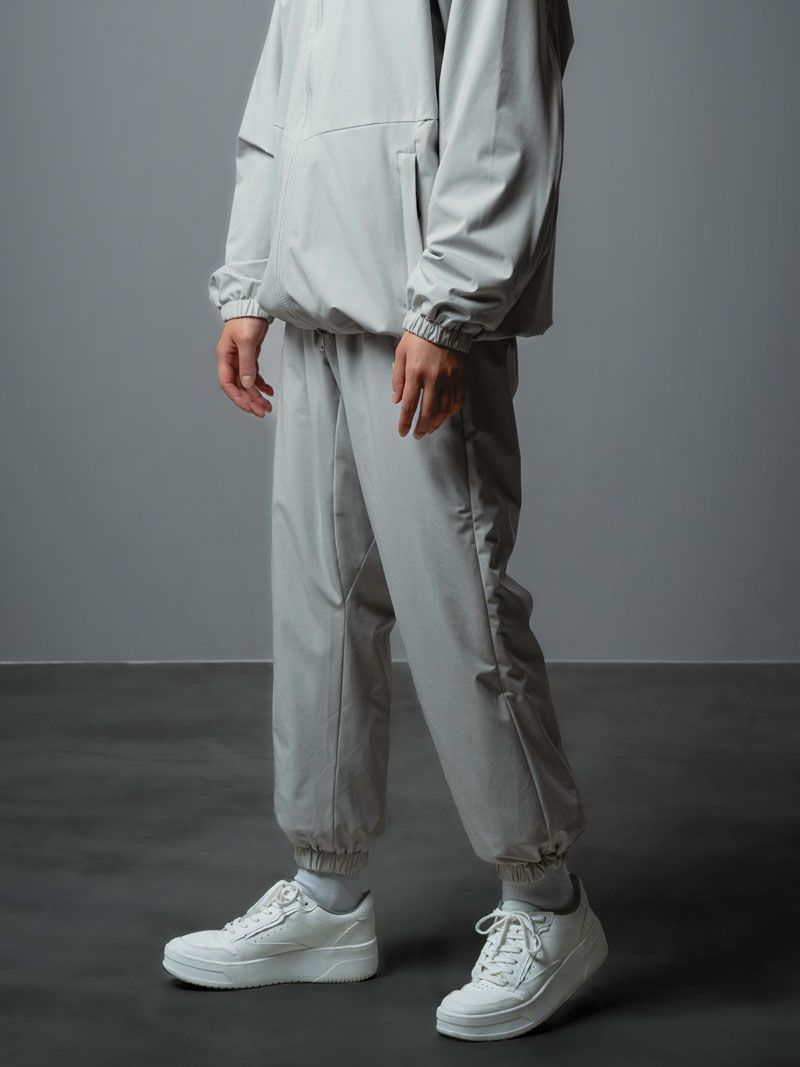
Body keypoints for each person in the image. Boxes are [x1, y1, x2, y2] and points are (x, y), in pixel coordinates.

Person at [163, 0, 607, 1041]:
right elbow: (278, 108)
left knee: (461, 610)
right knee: (318, 608)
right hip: (314, 305)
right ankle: (326, 895)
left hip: (418, 313)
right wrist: (246, 284)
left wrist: (449, 303)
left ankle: (547, 904)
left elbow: (500, 108)